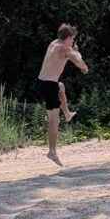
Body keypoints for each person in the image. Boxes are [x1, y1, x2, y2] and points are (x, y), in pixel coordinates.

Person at [35, 23, 88, 166]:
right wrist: (84, 67)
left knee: (61, 87)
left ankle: (68, 114)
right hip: (49, 86)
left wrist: (73, 49)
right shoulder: (65, 48)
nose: (73, 42)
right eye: (73, 39)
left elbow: (69, 51)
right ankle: (52, 151)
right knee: (54, 120)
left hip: (41, 82)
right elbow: (76, 59)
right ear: (68, 37)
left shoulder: (54, 43)